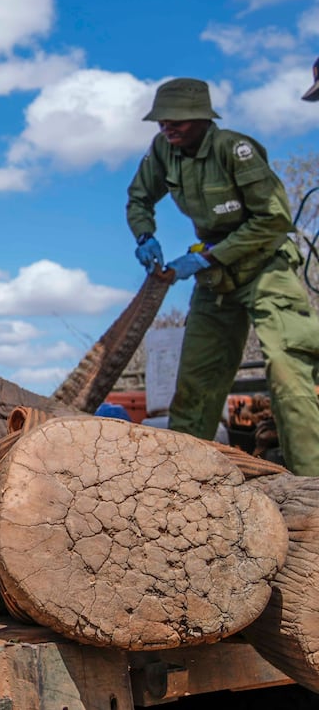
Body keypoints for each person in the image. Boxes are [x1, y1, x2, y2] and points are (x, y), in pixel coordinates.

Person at [127, 77, 319, 474]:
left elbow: (274, 219)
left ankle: (311, 484)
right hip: (216, 280)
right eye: (162, 121)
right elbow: (139, 196)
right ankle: (181, 482)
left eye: (177, 120)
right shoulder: (164, 152)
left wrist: (208, 258)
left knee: (288, 373)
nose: (168, 127)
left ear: (202, 118)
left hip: (264, 265)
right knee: (197, 380)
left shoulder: (235, 149)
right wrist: (145, 234)